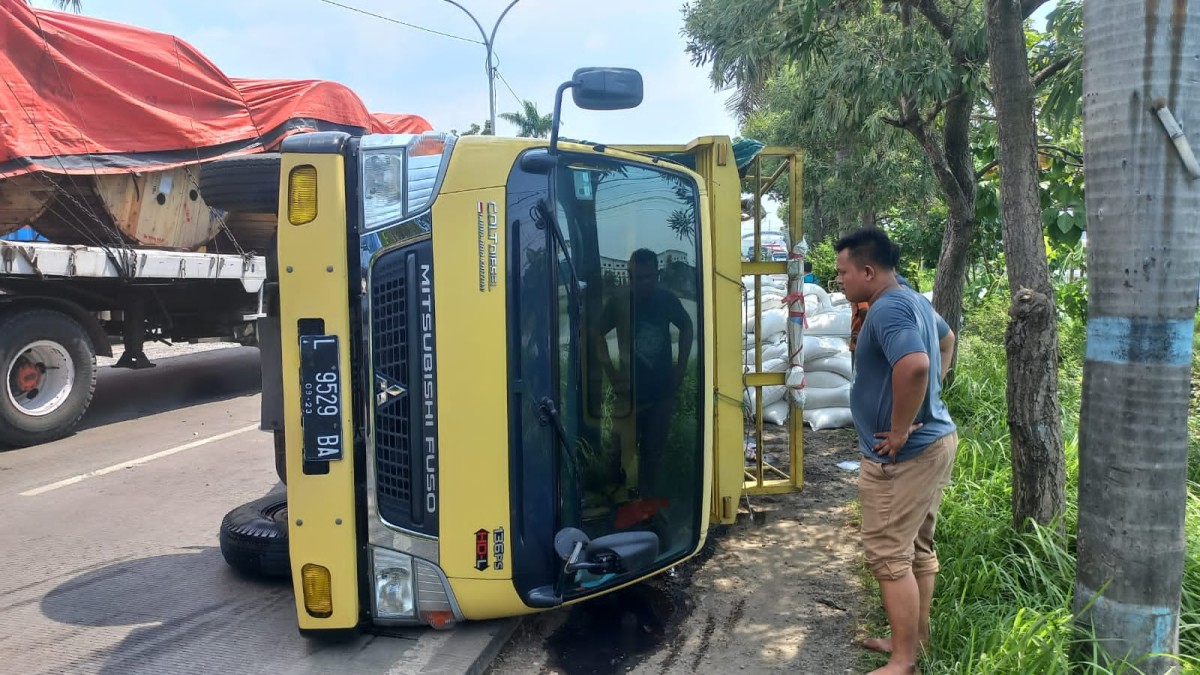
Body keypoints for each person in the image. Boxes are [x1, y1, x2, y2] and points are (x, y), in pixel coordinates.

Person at [834, 228, 957, 675]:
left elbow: (917, 364)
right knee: (915, 547)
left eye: (843, 273)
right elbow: (947, 340)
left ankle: (903, 660)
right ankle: (913, 640)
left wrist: (901, 429)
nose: (840, 282)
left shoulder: (887, 309)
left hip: (905, 457)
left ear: (868, 271)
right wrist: (931, 397)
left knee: (888, 555)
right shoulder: (912, 299)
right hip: (934, 445)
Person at [594, 248, 693, 495]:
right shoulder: (618, 302)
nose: (641, 283)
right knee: (617, 453)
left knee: (653, 453)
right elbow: (596, 334)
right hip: (628, 392)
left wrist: (680, 367)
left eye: (647, 277)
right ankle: (615, 502)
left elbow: (687, 326)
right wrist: (610, 371)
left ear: (656, 276)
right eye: (635, 278)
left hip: (661, 392)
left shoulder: (667, 300)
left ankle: (647, 506)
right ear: (629, 277)